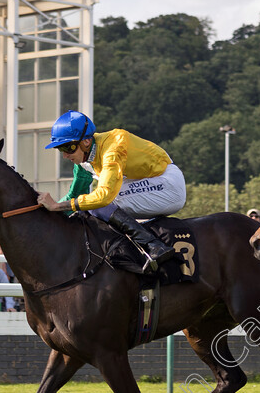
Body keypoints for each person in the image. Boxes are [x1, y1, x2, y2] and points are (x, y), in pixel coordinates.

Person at [36, 110, 185, 272]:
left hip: (167, 185)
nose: (65, 155)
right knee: (87, 206)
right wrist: (46, 215)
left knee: (96, 203)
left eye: (68, 148)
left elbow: (104, 197)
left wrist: (57, 207)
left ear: (86, 141)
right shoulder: (83, 160)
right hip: (144, 183)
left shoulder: (113, 147)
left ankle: (154, 245)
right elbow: (75, 196)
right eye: (60, 149)